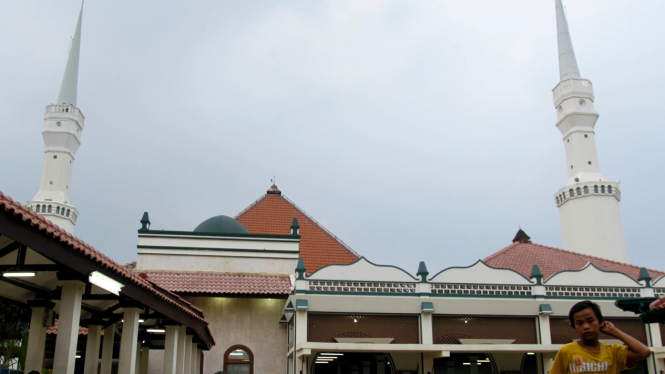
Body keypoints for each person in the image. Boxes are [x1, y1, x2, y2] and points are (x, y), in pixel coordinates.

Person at [549, 300, 651, 374]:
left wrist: (614, 332)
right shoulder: (566, 351)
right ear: (574, 327)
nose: (586, 327)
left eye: (591, 321)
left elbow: (644, 352)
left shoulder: (613, 351)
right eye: (580, 323)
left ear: (600, 322)